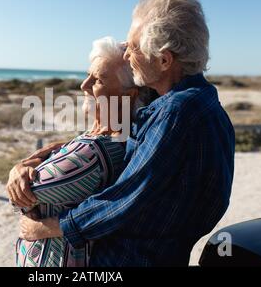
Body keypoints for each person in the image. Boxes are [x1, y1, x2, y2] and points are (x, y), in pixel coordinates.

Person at [9, 0, 235, 266]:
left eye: (133, 47)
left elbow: (128, 195)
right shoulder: (198, 100)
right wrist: (35, 158)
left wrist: (53, 227)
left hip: (133, 258)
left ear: (164, 60)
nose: (127, 54)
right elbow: (107, 138)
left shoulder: (176, 112)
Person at [10, 36, 156, 267]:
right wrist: (22, 166)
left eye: (98, 80)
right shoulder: (104, 137)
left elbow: (24, 195)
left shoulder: (96, 150)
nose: (84, 85)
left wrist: (21, 171)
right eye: (88, 75)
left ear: (129, 96)